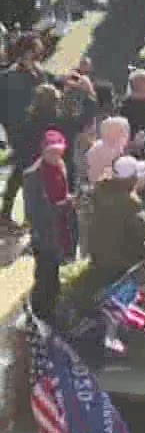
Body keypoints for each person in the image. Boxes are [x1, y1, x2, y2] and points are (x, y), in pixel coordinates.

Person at [21, 129, 74, 320]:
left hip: (60, 231)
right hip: (44, 236)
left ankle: (51, 309)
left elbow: (62, 192)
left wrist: (68, 201)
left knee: (54, 275)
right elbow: (34, 213)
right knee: (45, 275)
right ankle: (38, 313)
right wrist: (66, 204)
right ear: (43, 151)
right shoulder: (32, 176)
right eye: (51, 151)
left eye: (59, 151)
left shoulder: (61, 165)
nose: (56, 155)